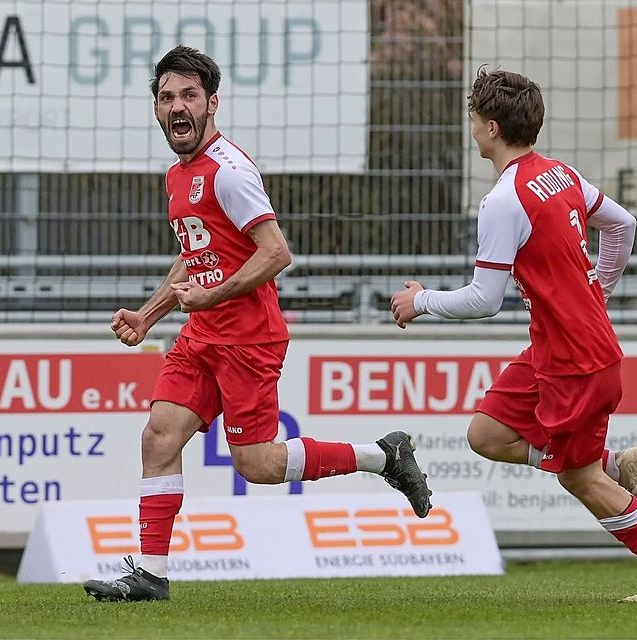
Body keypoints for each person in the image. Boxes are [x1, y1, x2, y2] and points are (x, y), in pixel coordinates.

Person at [83, 46, 433, 602]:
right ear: (156, 109)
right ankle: (150, 574)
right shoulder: (178, 175)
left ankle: (381, 455)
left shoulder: (229, 171)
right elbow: (198, 253)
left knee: (259, 465)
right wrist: (149, 315)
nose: (178, 106)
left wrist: (212, 294)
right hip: (202, 335)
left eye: (189, 95)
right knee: (159, 435)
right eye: (167, 97)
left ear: (212, 104)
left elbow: (275, 252)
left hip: (248, 338)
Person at [389, 68, 637, 603]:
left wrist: (420, 301)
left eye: (474, 119)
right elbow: (623, 225)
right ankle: (617, 465)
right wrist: (599, 289)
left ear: (491, 128)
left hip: (574, 361)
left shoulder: (503, 200)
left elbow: (484, 299)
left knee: (578, 478)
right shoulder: (560, 173)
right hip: (556, 347)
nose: (472, 129)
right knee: (486, 434)